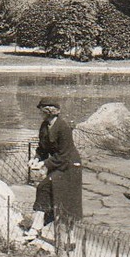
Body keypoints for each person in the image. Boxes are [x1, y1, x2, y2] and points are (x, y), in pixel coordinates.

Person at [21, 96, 83, 246]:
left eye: (42, 111)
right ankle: (36, 228)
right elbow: (42, 148)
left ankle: (68, 238)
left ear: (48, 111)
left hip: (70, 167)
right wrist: (36, 158)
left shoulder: (63, 127)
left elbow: (64, 155)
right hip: (58, 165)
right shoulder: (44, 126)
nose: (40, 114)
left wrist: (43, 164)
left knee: (66, 201)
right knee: (45, 190)